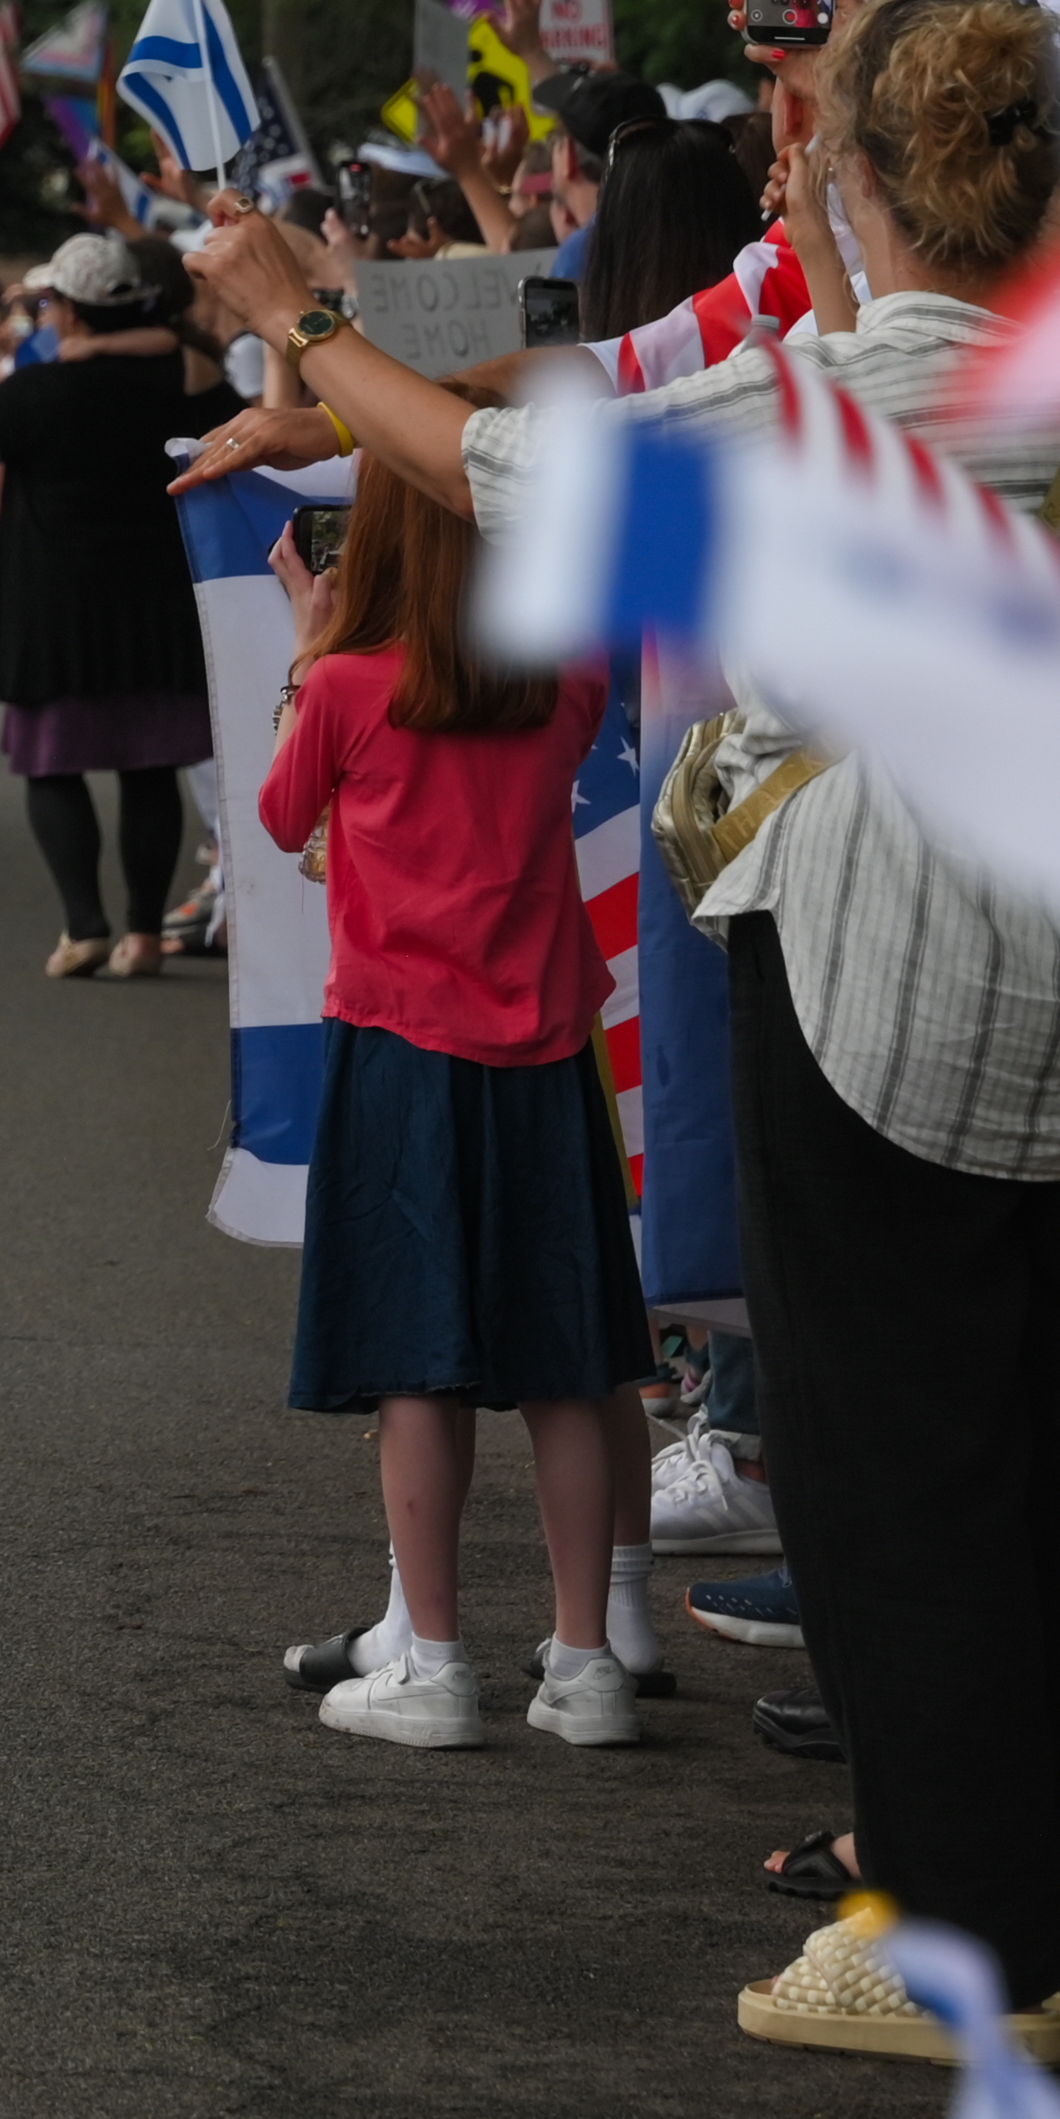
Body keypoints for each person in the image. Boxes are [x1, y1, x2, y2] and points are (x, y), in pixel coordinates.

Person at [189, 0, 1060, 2067]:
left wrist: (303, 317)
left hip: (891, 985)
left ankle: (940, 1929)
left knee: (898, 1459)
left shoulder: (832, 406)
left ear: (859, 183)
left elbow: (501, 468)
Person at [260, 456, 641, 1756]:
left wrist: (312, 651)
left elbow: (276, 815)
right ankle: (586, 1664)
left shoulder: (354, 690)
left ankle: (433, 1661)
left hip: (397, 1049)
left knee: (417, 1363)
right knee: (567, 1370)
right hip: (541, 1049)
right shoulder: (562, 683)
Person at [0, 236, 231, 975]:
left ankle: (84, 926)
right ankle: (143, 934)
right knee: (151, 768)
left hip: (55, 609)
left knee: (53, 764)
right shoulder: (194, 376)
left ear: (70, 310)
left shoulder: (43, 390)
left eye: (46, 303)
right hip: (158, 603)